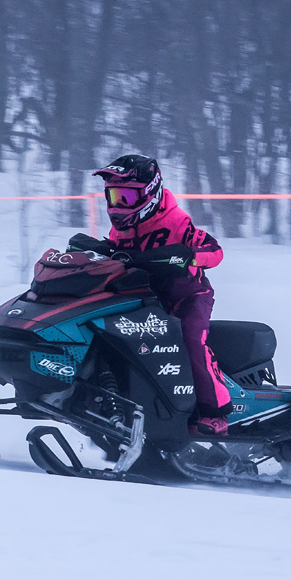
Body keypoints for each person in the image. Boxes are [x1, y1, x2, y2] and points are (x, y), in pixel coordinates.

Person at [91, 154, 233, 436]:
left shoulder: (176, 221)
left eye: (127, 198)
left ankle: (216, 413)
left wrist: (188, 256)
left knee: (191, 338)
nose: (118, 206)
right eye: (114, 196)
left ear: (150, 194)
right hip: (143, 298)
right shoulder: (122, 229)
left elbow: (215, 252)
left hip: (187, 295)